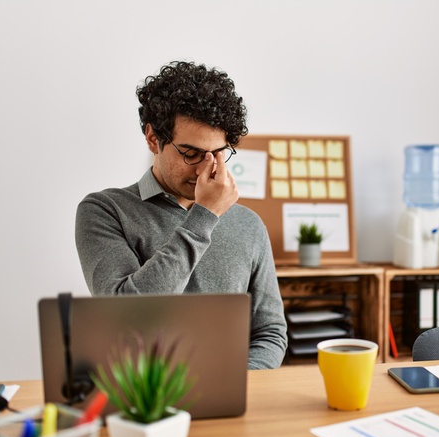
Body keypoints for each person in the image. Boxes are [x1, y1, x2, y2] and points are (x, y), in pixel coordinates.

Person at [75, 61, 288, 369]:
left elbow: (269, 333)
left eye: (217, 154)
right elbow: (128, 317)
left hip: (232, 403)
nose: (205, 168)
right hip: (146, 404)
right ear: (152, 139)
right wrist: (205, 215)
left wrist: (239, 385)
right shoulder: (104, 211)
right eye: (190, 153)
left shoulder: (248, 224)